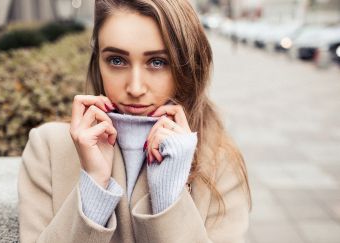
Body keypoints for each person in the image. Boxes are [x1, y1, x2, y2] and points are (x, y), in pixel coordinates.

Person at [18, 0, 252, 242]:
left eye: (158, 62)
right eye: (117, 60)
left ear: (188, 66)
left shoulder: (218, 161)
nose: (135, 87)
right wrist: (94, 185)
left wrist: (168, 196)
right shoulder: (48, 148)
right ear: (97, 62)